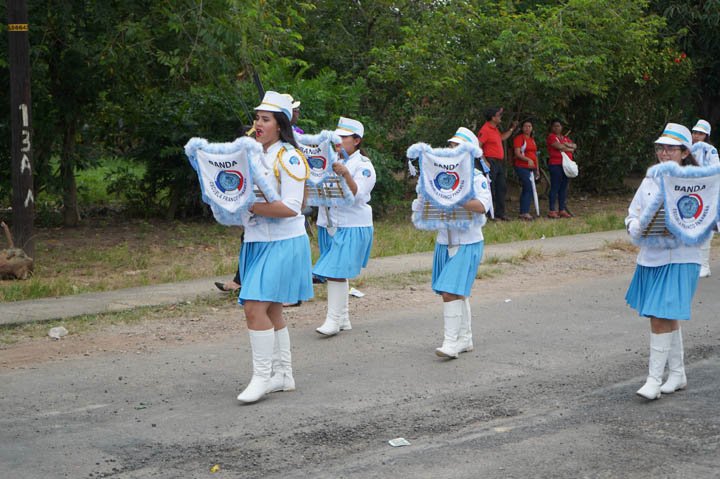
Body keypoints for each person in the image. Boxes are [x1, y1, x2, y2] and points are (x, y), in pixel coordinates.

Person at [236, 91, 313, 403]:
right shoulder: (253, 154)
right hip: (256, 241)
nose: (258, 124)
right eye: (257, 118)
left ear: (280, 125)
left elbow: (292, 207)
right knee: (272, 309)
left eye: (265, 119)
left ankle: (262, 377)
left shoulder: (290, 157)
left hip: (284, 242)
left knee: (254, 307)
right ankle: (284, 374)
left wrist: (249, 206)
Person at [625, 123, 701, 400]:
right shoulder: (650, 179)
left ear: (684, 152)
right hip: (651, 257)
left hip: (682, 258)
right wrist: (636, 227)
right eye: (661, 148)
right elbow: (632, 214)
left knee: (660, 316)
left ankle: (654, 380)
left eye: (671, 148)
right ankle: (677, 374)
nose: (664, 153)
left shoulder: (697, 183)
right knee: (667, 315)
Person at [419, 128, 492, 358]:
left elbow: (483, 206)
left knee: (450, 291)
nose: (452, 151)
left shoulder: (477, 178)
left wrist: (456, 198)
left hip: (468, 242)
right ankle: (465, 338)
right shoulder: (439, 177)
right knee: (457, 292)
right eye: (451, 146)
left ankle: (451, 342)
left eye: (458, 147)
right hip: (444, 241)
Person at [314, 117, 376, 336]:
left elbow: (358, 195)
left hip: (351, 225)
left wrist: (346, 174)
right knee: (337, 271)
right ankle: (343, 318)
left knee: (334, 272)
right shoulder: (328, 160)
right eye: (336, 138)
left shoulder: (364, 165)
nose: (338, 142)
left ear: (356, 140)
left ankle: (333, 320)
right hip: (328, 223)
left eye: (343, 138)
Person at [690, 119, 719, 278]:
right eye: (694, 132)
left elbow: (715, 170)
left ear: (706, 135)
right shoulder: (687, 148)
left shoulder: (710, 150)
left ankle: (704, 266)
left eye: (700, 133)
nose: (696, 135)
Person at [477, 107, 517, 221]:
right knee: (491, 188)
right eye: (498, 115)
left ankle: (500, 213)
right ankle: (490, 214)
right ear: (493, 117)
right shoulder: (485, 129)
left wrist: (512, 129)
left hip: (498, 162)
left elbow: (501, 138)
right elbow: (478, 145)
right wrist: (484, 161)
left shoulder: (494, 129)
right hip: (491, 161)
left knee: (501, 187)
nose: (500, 117)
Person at [546, 119, 577, 218]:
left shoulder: (565, 138)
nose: (557, 128)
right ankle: (552, 210)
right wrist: (568, 148)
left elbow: (574, 146)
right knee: (555, 187)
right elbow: (559, 147)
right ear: (552, 128)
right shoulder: (551, 137)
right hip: (556, 164)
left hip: (565, 166)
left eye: (558, 126)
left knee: (563, 188)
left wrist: (567, 146)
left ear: (562, 127)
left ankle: (561, 209)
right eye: (555, 126)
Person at [513, 120, 538, 221]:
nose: (528, 128)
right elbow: (517, 153)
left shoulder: (532, 139)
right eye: (525, 126)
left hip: (532, 167)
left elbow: (535, 155)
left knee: (529, 188)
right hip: (521, 166)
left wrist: (537, 168)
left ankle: (525, 211)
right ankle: (524, 212)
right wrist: (528, 159)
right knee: (528, 186)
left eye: (530, 126)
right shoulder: (519, 138)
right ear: (522, 128)